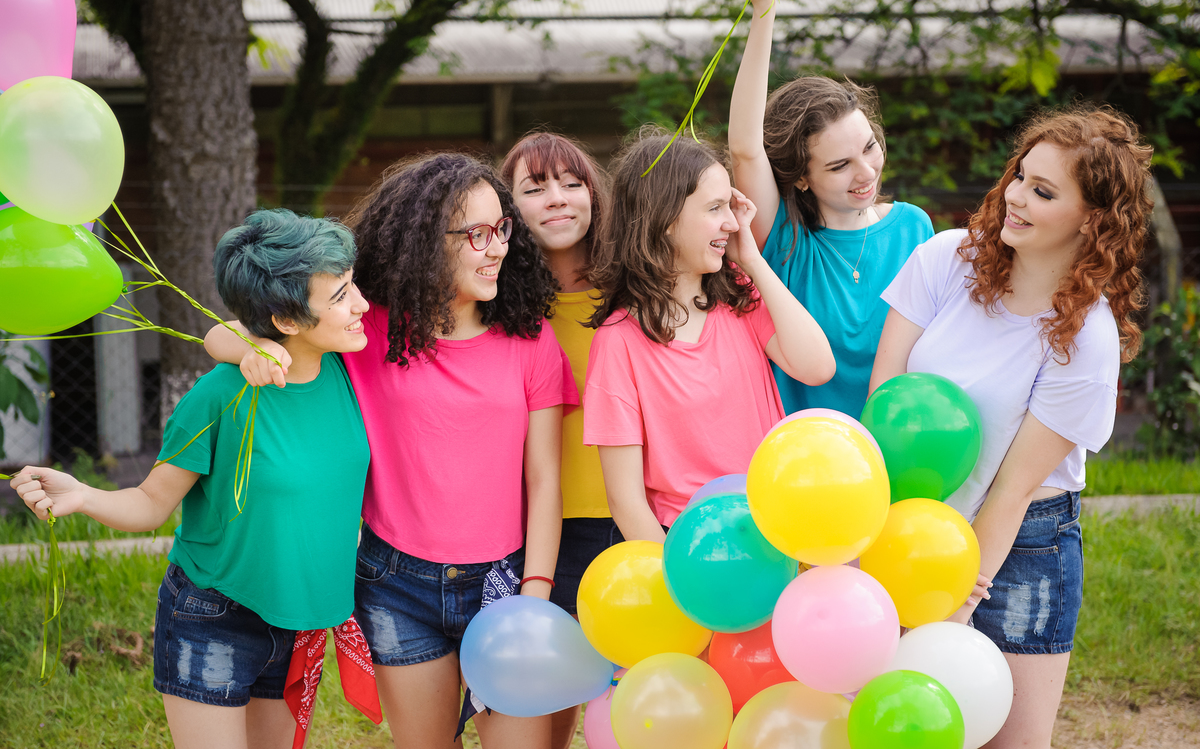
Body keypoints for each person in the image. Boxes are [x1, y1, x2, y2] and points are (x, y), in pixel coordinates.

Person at [205, 154, 573, 749]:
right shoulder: (367, 329)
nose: (498, 248)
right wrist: (255, 351)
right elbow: (221, 333)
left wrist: (535, 591)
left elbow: (545, 479)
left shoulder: (531, 340)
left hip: (505, 582)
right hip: (397, 584)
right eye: (477, 234)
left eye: (502, 228)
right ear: (426, 241)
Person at [13, 209, 374, 749]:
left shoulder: (352, 371)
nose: (362, 304)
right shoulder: (217, 397)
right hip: (214, 616)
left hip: (296, 621)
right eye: (342, 294)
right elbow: (151, 504)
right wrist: (84, 495)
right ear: (285, 319)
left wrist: (237, 339)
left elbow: (222, 334)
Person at [869, 106, 1151, 748]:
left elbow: (1013, 489)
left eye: (1043, 192)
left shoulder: (1085, 339)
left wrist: (955, 605)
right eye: (1020, 176)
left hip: (1022, 545)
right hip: (913, 521)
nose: (1016, 197)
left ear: (1093, 220)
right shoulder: (946, 259)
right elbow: (885, 401)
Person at [583, 128, 835, 542]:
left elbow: (818, 367)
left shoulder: (739, 295)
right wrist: (677, 576)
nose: (733, 223)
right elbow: (626, 500)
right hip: (691, 544)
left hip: (773, 528)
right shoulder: (618, 342)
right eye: (715, 207)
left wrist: (752, 260)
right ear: (665, 220)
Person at [721, 0, 933, 417]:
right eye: (839, 166)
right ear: (801, 177)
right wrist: (764, 9)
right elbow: (745, 148)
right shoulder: (784, 241)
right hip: (805, 454)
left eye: (869, 147)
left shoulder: (914, 228)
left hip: (902, 449)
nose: (866, 172)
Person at [499, 132, 617, 749]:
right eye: (535, 187)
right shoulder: (498, 308)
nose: (557, 198)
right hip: (539, 529)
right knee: (545, 700)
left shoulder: (634, 294)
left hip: (635, 519)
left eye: (572, 183)